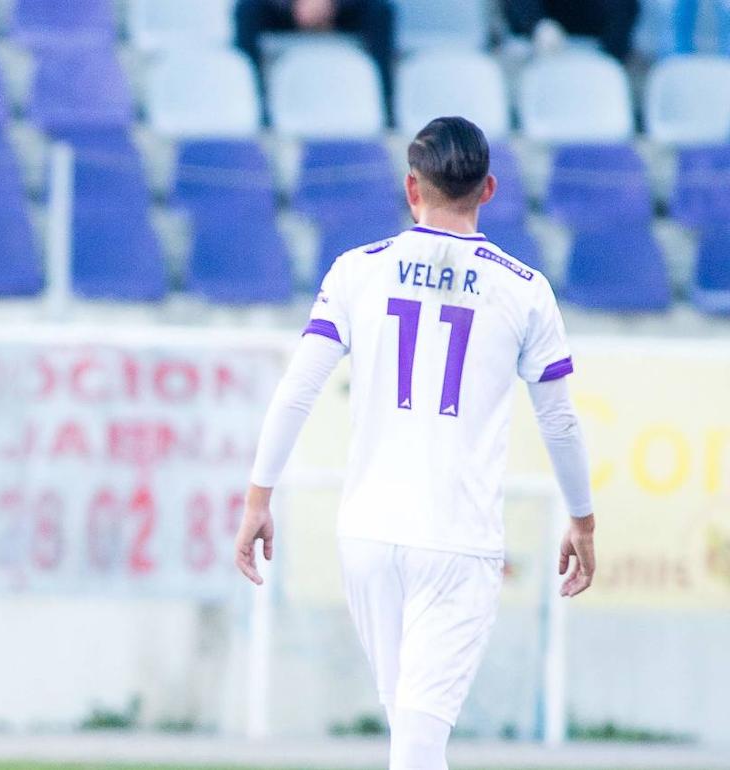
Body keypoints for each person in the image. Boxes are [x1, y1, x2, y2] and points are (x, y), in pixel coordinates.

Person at [234, 117, 597, 770]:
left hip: (368, 536)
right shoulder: (523, 289)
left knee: (412, 737)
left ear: (412, 188)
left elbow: (296, 390)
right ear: (488, 189)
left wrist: (258, 497)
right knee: (419, 744)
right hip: (456, 538)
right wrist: (583, 519)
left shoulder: (358, 271)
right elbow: (561, 423)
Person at [234, 0, 396, 121]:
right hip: (286, 8)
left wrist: (330, 4)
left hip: (339, 7)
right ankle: (253, 104)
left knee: (380, 11)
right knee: (246, 10)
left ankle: (386, 107)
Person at [503, 0, 641, 62]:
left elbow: (624, 10)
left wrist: (610, 55)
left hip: (599, 49)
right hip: (537, 44)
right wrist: (537, 24)